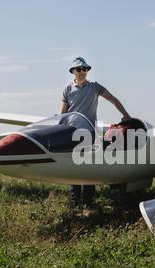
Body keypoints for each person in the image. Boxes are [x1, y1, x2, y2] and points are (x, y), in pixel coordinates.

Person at [61, 56, 131, 207]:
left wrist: (125, 115)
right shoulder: (67, 89)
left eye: (85, 69)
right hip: (72, 132)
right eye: (80, 69)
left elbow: (113, 99)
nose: (83, 71)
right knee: (73, 167)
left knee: (87, 166)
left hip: (89, 133)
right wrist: (61, 128)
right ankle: (75, 202)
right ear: (73, 71)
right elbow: (63, 113)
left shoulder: (94, 87)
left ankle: (87, 202)